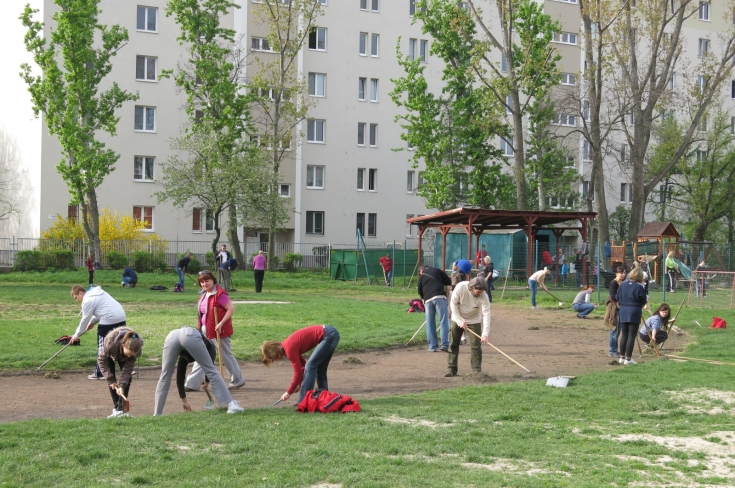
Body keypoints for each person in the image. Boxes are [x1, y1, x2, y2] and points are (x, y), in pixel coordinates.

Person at [154, 326, 243, 416]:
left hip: (171, 336)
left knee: (165, 375)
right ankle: (231, 405)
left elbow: (180, 377)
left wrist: (206, 382)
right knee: (211, 371)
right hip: (190, 335)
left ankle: (157, 413)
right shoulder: (209, 347)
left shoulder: (185, 353)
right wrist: (206, 383)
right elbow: (209, 369)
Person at [184, 270, 246, 391]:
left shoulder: (220, 294)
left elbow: (231, 309)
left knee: (225, 355)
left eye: (207, 281)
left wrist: (221, 323)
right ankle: (192, 383)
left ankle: (238, 380)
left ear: (213, 280)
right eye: (202, 282)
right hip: (204, 331)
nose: (204, 284)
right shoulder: (203, 295)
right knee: (201, 354)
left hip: (219, 331)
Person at [260, 325, 341, 403]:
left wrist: (288, 392)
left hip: (329, 336)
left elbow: (298, 373)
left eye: (274, 357)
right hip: (331, 334)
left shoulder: (289, 349)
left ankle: (303, 401)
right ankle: (324, 399)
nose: (276, 359)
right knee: (320, 369)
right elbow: (302, 365)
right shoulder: (288, 346)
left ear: (275, 351)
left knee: (310, 365)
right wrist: (299, 383)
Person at [68, 285, 127, 380]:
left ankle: (100, 372)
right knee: (119, 344)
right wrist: (92, 322)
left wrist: (76, 335)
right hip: (121, 318)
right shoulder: (99, 293)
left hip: (109, 320)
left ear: (80, 293)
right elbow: (103, 309)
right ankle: (127, 369)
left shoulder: (87, 300)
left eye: (76, 297)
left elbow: (85, 319)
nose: (76, 300)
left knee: (102, 346)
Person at [445, 277, 491, 377]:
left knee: (476, 346)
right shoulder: (460, 287)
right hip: (457, 318)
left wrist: (485, 333)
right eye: (478, 291)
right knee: (453, 343)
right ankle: (451, 369)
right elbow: (453, 305)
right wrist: (460, 321)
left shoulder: (484, 296)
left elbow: (486, 314)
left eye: (481, 292)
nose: (480, 294)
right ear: (471, 287)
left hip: (474, 320)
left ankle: (476, 371)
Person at [98, 327, 143, 418]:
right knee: (111, 380)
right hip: (111, 353)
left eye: (132, 354)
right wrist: (110, 380)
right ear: (123, 345)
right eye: (128, 353)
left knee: (127, 379)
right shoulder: (111, 345)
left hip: (122, 354)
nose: (130, 356)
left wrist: (122, 385)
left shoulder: (135, 351)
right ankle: (117, 409)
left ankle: (122, 410)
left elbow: (127, 370)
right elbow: (102, 361)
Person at [617, 267, 651, 365]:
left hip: (623, 310)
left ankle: (622, 357)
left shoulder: (622, 285)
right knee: (631, 336)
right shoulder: (639, 287)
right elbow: (643, 300)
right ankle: (628, 358)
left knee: (624, 335)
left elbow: (617, 297)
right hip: (634, 311)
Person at [418, 264, 452, 352]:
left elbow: (420, 291)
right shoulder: (437, 270)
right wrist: (447, 298)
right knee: (443, 320)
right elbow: (449, 283)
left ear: (422, 271)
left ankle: (432, 346)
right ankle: (444, 344)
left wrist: (423, 300)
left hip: (428, 299)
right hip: (440, 297)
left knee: (429, 322)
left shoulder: (421, 277)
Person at [605, 266, 626, 358]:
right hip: (614, 308)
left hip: (621, 307)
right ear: (616, 274)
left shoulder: (623, 283)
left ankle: (615, 350)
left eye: (624, 273)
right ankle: (612, 350)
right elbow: (613, 296)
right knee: (614, 329)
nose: (623, 275)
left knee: (618, 331)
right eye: (621, 273)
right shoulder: (614, 283)